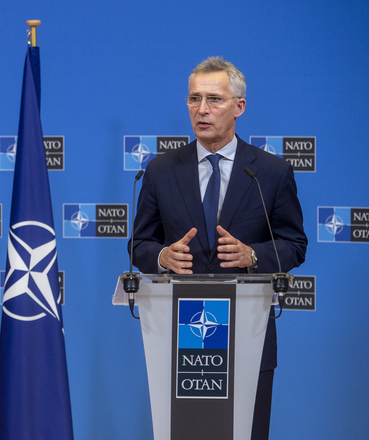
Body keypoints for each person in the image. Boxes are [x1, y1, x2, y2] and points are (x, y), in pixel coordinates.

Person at [130, 57, 307, 439]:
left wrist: (255, 256)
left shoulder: (271, 172)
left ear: (239, 107)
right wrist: (162, 257)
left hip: (248, 333)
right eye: (194, 99)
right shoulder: (161, 170)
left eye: (214, 99)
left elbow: (294, 243)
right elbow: (139, 245)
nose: (202, 110)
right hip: (180, 334)